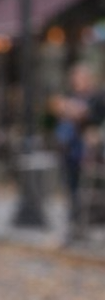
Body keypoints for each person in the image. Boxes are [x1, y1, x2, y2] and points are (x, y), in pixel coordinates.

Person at [50, 62, 105, 230]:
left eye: (81, 78)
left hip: (86, 149)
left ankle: (85, 219)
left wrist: (72, 111)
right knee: (71, 185)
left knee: (86, 187)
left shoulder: (97, 96)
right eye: (75, 78)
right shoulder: (71, 95)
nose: (77, 81)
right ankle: (74, 218)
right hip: (68, 147)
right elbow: (57, 109)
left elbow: (90, 117)